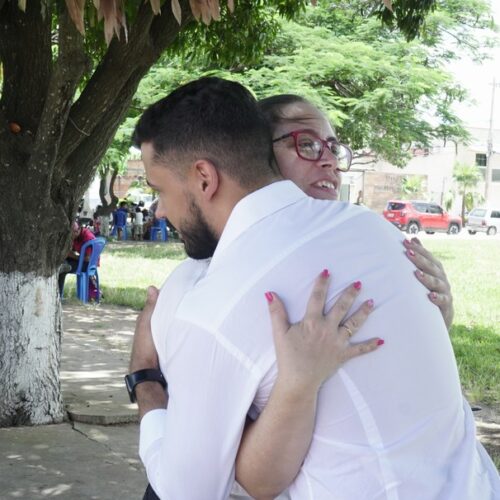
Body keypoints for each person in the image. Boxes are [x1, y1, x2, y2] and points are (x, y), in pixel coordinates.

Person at [129, 78, 499, 499]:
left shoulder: (214, 304)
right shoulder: (378, 232)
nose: (328, 162)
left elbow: (186, 491)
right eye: (305, 145)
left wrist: (146, 382)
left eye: (159, 190)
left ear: (204, 177)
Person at [58, 221, 95, 296]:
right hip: (81, 260)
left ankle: (58, 295)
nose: (71, 236)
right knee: (61, 262)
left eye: (73, 233)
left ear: (79, 229)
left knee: (62, 270)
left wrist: (71, 255)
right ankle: (66, 265)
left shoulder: (87, 237)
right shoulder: (77, 236)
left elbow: (87, 258)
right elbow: (73, 249)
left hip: (88, 264)